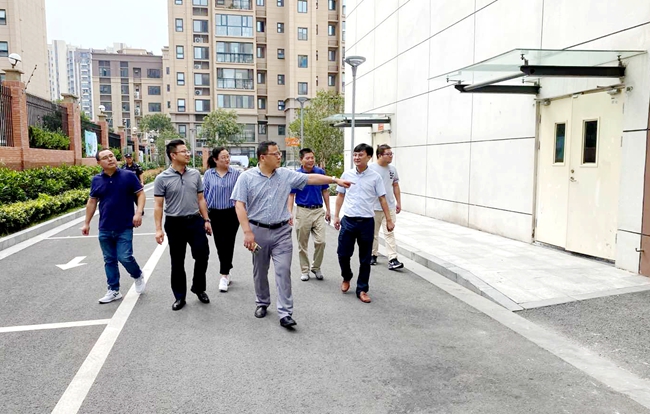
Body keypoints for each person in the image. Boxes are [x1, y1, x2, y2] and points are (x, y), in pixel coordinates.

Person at [231, 141, 351, 329]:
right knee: (260, 270)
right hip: (258, 231)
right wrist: (247, 232)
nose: (280, 156)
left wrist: (334, 180)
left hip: (281, 232)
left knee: (283, 270)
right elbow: (239, 205)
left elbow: (311, 178)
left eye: (279, 153)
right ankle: (262, 302)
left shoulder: (285, 175)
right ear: (263, 157)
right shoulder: (246, 178)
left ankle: (285, 313)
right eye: (275, 154)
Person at [153, 139, 213, 311]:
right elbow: (158, 205)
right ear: (173, 155)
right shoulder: (162, 178)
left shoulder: (195, 174)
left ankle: (199, 288)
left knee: (202, 255)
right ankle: (179, 296)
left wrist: (206, 220)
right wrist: (158, 229)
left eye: (188, 151)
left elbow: (201, 199)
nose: (188, 154)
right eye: (184, 151)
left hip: (195, 221)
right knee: (177, 261)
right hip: (175, 223)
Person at [82, 149, 146, 304]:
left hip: (124, 226)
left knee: (125, 257)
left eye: (111, 156)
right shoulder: (96, 180)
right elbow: (92, 201)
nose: (110, 159)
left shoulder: (128, 176)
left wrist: (138, 213)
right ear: (99, 163)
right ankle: (113, 290)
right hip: (105, 227)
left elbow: (140, 194)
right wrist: (86, 223)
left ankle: (137, 275)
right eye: (105, 158)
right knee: (109, 260)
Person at [333, 143, 394, 304]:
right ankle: (347, 276)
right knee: (343, 254)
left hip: (366, 222)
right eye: (355, 155)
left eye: (360, 155)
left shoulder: (375, 177)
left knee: (365, 259)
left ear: (369, 157)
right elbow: (340, 196)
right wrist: (336, 216)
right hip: (348, 221)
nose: (357, 157)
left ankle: (362, 289)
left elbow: (382, 199)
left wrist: (389, 220)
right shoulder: (347, 174)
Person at [288, 148, 331, 282]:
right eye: (308, 158)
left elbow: (325, 191)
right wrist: (290, 212)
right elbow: (291, 195)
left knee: (321, 242)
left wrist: (328, 210)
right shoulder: (297, 175)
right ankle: (305, 270)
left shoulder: (320, 172)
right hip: (303, 211)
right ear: (301, 160)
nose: (311, 160)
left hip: (318, 211)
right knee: (303, 244)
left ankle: (316, 267)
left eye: (312, 157)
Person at [203, 147, 241, 293]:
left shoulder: (236, 174)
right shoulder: (208, 174)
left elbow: (241, 194)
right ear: (215, 159)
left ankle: (224, 274)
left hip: (232, 213)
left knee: (229, 243)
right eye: (223, 157)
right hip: (214, 214)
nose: (227, 159)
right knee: (220, 243)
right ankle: (226, 269)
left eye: (228, 156)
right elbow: (203, 196)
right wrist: (205, 217)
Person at [370, 144, 404, 270]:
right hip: (373, 207)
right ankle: (373, 255)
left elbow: (395, 186)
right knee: (373, 233)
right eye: (388, 154)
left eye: (391, 154)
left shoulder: (392, 169)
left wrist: (398, 202)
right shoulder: (370, 168)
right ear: (379, 155)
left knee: (389, 232)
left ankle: (393, 259)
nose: (391, 156)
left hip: (389, 207)